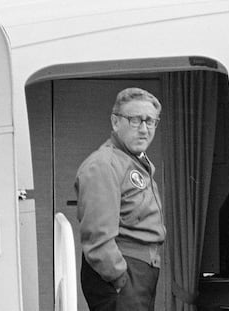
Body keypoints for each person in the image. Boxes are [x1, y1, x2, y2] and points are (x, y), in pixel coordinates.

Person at [75, 87, 166, 311]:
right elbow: (97, 237)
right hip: (123, 273)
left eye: (150, 121)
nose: (144, 129)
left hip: (139, 272)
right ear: (116, 123)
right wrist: (119, 278)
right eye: (135, 120)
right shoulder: (104, 164)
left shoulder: (134, 162)